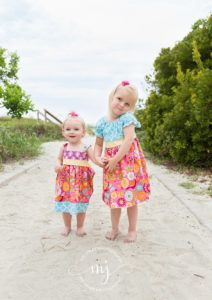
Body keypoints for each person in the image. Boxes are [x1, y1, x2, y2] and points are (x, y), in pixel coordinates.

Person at [94, 81, 150, 243]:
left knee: (130, 198)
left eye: (127, 103)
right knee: (115, 199)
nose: (122, 105)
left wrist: (115, 159)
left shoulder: (127, 118)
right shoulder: (102, 122)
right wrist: (98, 158)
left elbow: (129, 139)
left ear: (131, 107)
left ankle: (132, 230)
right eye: (119, 99)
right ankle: (114, 228)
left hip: (127, 164)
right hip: (112, 165)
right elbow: (98, 144)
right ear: (112, 96)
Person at [54, 112, 96, 237]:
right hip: (66, 181)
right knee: (65, 205)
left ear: (83, 132)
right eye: (68, 129)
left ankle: (80, 226)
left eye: (76, 129)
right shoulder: (64, 147)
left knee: (81, 204)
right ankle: (67, 226)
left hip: (80, 182)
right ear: (63, 132)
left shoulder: (86, 147)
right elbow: (59, 159)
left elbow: (94, 159)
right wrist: (57, 164)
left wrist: (103, 162)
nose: (71, 132)